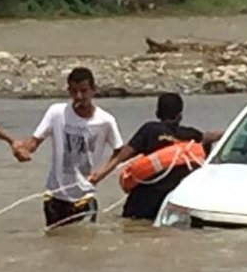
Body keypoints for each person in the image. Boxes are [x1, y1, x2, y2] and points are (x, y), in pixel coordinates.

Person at [89, 92, 223, 221]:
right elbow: (210, 137)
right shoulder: (191, 135)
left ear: (157, 113)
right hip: (169, 205)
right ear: (180, 115)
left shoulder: (150, 130)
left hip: (142, 203)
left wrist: (100, 174)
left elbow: (121, 156)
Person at [17, 67, 123, 228]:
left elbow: (119, 152)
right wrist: (22, 150)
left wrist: (101, 173)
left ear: (93, 91)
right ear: (68, 91)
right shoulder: (56, 113)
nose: (79, 96)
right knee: (56, 245)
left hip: (85, 196)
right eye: (74, 91)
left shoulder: (105, 121)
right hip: (55, 196)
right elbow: (34, 142)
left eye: (84, 91)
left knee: (85, 244)